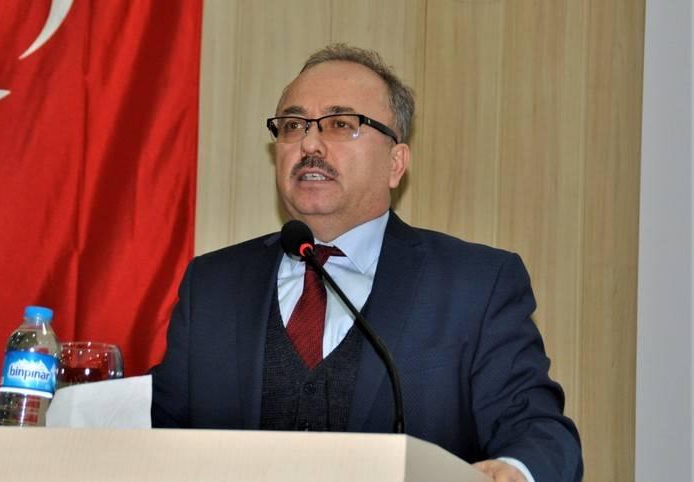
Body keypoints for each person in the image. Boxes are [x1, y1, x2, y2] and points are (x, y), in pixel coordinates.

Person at [152, 44, 583, 482]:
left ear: (396, 164)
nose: (309, 143)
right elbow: (156, 433)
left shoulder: (475, 286)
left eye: (341, 124)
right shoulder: (212, 284)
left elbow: (538, 429)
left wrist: (515, 470)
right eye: (293, 125)